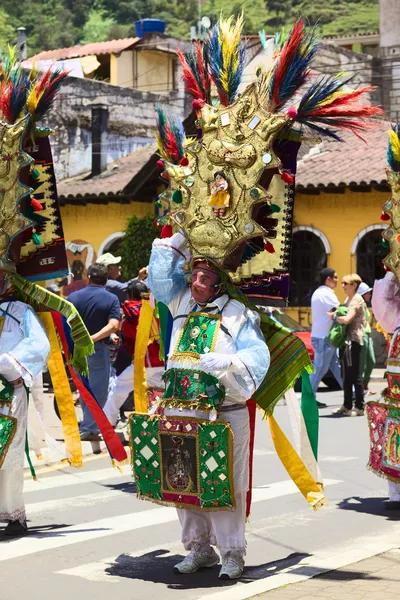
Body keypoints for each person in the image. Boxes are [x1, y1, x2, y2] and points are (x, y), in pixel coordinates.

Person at [147, 231, 270, 580]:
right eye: (195, 274)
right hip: (180, 410)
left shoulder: (237, 314)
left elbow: (258, 355)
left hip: (223, 414)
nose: (198, 282)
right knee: (182, 481)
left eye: (206, 277)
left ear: (218, 284)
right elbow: (158, 280)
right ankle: (199, 549)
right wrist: (176, 242)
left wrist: (229, 363)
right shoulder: (180, 302)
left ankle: (232, 554)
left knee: (225, 484)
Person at [0, 266, 50, 536]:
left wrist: (7, 366)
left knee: (8, 451)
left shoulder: (20, 311)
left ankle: (14, 516)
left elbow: (38, 345)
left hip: (9, 392)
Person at [68, 263, 120, 441]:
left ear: (88, 276)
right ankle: (88, 427)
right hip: (97, 349)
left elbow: (64, 324)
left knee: (84, 389)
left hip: (76, 350)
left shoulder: (73, 297)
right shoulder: (111, 298)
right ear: (107, 278)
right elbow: (114, 325)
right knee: (99, 391)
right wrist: (93, 338)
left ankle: (88, 425)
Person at [104, 280, 163, 427]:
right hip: (162, 361)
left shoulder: (131, 309)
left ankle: (107, 424)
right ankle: (158, 426)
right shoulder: (157, 308)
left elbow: (132, 332)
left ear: (130, 294)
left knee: (117, 390)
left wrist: (123, 323)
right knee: (158, 396)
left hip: (143, 362)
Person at [331, 274, 366, 417]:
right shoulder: (348, 299)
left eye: (346, 283)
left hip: (353, 340)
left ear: (354, 285)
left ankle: (359, 407)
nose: (343, 286)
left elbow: (347, 319)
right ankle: (346, 405)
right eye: (343, 283)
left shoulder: (357, 299)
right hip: (346, 340)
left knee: (354, 374)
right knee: (346, 374)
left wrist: (334, 317)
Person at [309, 268, 343, 407]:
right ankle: (309, 398)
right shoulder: (325, 293)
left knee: (337, 367)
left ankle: (351, 393)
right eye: (335, 277)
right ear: (328, 279)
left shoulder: (321, 293)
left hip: (324, 337)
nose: (337, 280)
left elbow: (333, 311)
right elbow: (339, 309)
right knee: (320, 369)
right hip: (324, 338)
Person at [357, 282, 376, 395]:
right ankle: (359, 389)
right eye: (368, 293)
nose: (370, 295)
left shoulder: (365, 305)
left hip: (367, 335)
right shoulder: (359, 304)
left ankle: (365, 385)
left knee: (371, 361)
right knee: (361, 364)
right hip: (362, 336)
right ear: (363, 294)